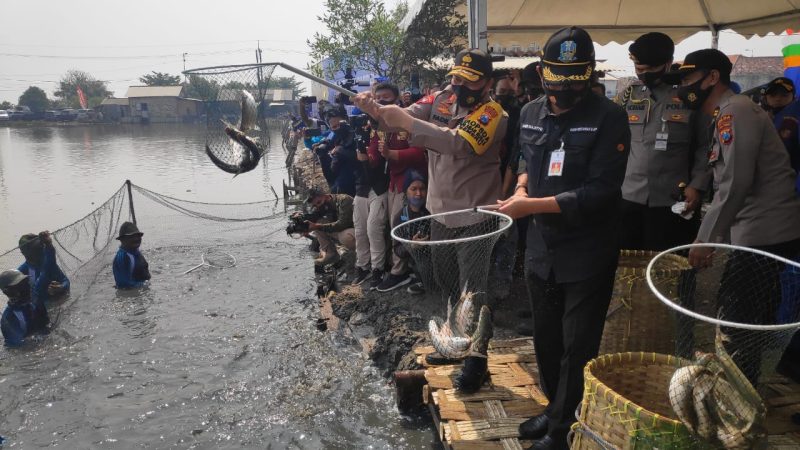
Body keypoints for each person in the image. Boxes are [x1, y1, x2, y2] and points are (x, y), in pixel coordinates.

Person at [497, 26, 631, 450]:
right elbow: (526, 159)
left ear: (588, 75)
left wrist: (530, 206)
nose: (565, 92)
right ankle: (556, 407)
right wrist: (521, 188)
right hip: (542, 247)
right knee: (547, 337)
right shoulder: (531, 112)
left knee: (578, 343)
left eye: (575, 82)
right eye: (557, 83)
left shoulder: (609, 118)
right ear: (543, 74)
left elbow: (601, 190)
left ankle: (562, 431)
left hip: (587, 249)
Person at [672, 50, 800, 384]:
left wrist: (705, 240)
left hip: (765, 233)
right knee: (749, 317)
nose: (684, 86)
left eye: (689, 78)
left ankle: (738, 396)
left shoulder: (735, 112)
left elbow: (735, 182)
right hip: (759, 230)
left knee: (737, 320)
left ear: (712, 78)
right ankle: (747, 386)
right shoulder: (729, 112)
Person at [354, 48, 508, 301]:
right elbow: (403, 116)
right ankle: (452, 319)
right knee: (443, 278)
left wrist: (407, 123)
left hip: (475, 214)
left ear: (488, 83)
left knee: (471, 288)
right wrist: (373, 109)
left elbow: (459, 143)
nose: (460, 85)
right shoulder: (440, 99)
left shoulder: (493, 113)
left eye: (470, 80)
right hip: (439, 211)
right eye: (457, 78)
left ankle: (475, 323)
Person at [616, 32, 710, 251]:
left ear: (668, 63)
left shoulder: (689, 98)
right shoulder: (628, 96)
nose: (644, 74)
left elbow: (706, 146)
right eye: (639, 68)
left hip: (672, 198)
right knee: (628, 261)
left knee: (669, 261)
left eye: (651, 69)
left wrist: (697, 185)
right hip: (629, 196)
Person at [368, 82, 427, 292]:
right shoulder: (377, 123)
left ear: (397, 98)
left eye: (386, 97)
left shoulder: (407, 119)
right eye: (378, 98)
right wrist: (370, 154)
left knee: (400, 224)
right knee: (389, 223)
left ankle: (399, 271)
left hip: (411, 181)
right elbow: (374, 150)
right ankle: (391, 265)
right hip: (392, 180)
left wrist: (391, 154)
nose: (382, 101)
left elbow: (420, 151)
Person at [352, 89, 391, 289]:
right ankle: (362, 266)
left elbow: (375, 162)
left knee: (373, 228)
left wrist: (365, 155)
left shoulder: (383, 129)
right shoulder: (358, 134)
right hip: (361, 188)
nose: (367, 123)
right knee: (360, 231)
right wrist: (359, 146)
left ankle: (378, 269)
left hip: (379, 186)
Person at [386, 170, 430, 295]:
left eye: (422, 189)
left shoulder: (432, 210)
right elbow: (397, 249)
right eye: (413, 189)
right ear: (406, 191)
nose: (418, 193)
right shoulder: (400, 217)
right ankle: (423, 282)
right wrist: (411, 245)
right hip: (418, 260)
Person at [313, 104, 358, 196]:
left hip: (356, 178)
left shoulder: (356, 133)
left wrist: (341, 151)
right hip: (338, 179)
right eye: (334, 127)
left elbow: (361, 158)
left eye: (340, 125)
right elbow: (329, 141)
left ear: (346, 120)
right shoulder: (336, 135)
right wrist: (322, 150)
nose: (338, 128)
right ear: (330, 128)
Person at [17, 231, 70, 307]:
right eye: (36, 249)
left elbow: (65, 280)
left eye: (41, 246)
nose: (41, 249)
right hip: (42, 307)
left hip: (59, 302)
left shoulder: (49, 263)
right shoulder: (21, 272)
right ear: (24, 253)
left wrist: (61, 287)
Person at [306, 189, 356, 266]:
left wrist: (318, 226)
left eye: (319, 202)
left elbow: (343, 224)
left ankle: (359, 254)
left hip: (357, 230)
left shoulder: (344, 200)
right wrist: (302, 218)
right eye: (315, 205)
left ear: (325, 196)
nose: (318, 206)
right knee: (317, 222)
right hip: (344, 230)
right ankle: (329, 253)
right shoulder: (323, 205)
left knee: (345, 237)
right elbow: (313, 216)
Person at [1, 269, 49, 347]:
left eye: (26, 282)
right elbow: (17, 348)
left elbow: (47, 323)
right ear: (7, 292)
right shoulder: (9, 318)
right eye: (20, 286)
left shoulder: (36, 301)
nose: (26, 287)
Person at [762, 77, 800, 172]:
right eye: (773, 95)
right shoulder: (758, 115)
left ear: (793, 97)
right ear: (765, 98)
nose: (778, 99)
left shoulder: (795, 116)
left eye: (784, 95)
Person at [113, 222, 151, 289]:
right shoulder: (122, 257)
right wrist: (143, 285)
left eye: (138, 236)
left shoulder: (135, 251)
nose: (136, 239)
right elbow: (123, 284)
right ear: (122, 240)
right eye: (131, 237)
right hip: (131, 293)